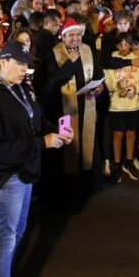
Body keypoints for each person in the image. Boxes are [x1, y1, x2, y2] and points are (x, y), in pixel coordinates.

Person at [0, 40, 72, 277]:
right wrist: (42, 143)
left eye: (26, 64)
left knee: (15, 235)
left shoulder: (21, 88)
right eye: (19, 63)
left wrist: (57, 130)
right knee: (5, 241)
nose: (24, 69)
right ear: (3, 62)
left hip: (25, 172)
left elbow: (36, 119)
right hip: (6, 177)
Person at [37, 18, 104, 191]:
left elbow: (98, 75)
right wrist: (70, 64)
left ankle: (87, 186)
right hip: (63, 111)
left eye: (78, 34)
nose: (75, 38)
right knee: (67, 152)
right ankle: (68, 190)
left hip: (87, 108)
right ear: (63, 37)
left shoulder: (88, 50)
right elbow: (48, 85)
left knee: (87, 148)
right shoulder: (53, 55)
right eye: (71, 35)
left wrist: (99, 88)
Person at [103, 31, 139, 183]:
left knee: (131, 134)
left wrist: (135, 89)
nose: (123, 47)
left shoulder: (136, 58)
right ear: (116, 45)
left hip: (134, 105)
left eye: (126, 44)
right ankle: (117, 164)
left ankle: (128, 162)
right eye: (120, 44)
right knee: (118, 134)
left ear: (130, 45)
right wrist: (118, 85)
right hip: (117, 106)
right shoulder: (111, 60)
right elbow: (107, 83)